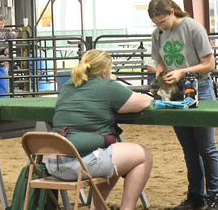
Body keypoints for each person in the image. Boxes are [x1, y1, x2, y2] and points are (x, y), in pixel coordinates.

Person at [48, 49, 153, 210]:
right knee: (144, 155)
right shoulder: (107, 86)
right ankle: (127, 207)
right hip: (79, 165)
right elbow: (143, 101)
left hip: (52, 163)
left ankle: (98, 208)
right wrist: (112, 83)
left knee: (113, 155)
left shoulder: (69, 85)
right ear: (105, 71)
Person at [148, 0, 218, 210]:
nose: (160, 26)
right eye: (156, 23)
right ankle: (196, 196)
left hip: (200, 88)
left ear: (172, 11)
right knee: (189, 149)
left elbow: (209, 64)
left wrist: (182, 71)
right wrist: (161, 76)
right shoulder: (157, 34)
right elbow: (160, 61)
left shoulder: (193, 28)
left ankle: (216, 196)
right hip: (175, 92)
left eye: (163, 21)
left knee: (207, 147)